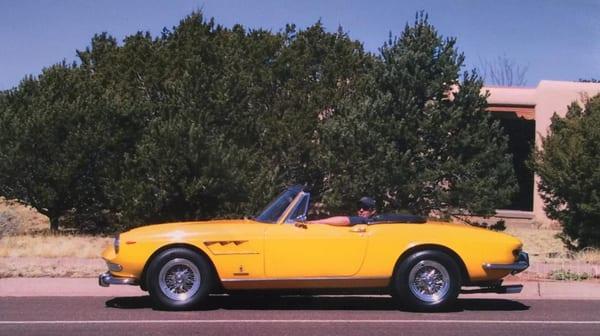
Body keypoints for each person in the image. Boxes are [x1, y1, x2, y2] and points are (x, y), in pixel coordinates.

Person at [306, 196, 377, 226]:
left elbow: (345, 220)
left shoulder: (367, 220)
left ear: (373, 211)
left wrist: (314, 222)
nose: (361, 210)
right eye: (359, 207)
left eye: (365, 207)